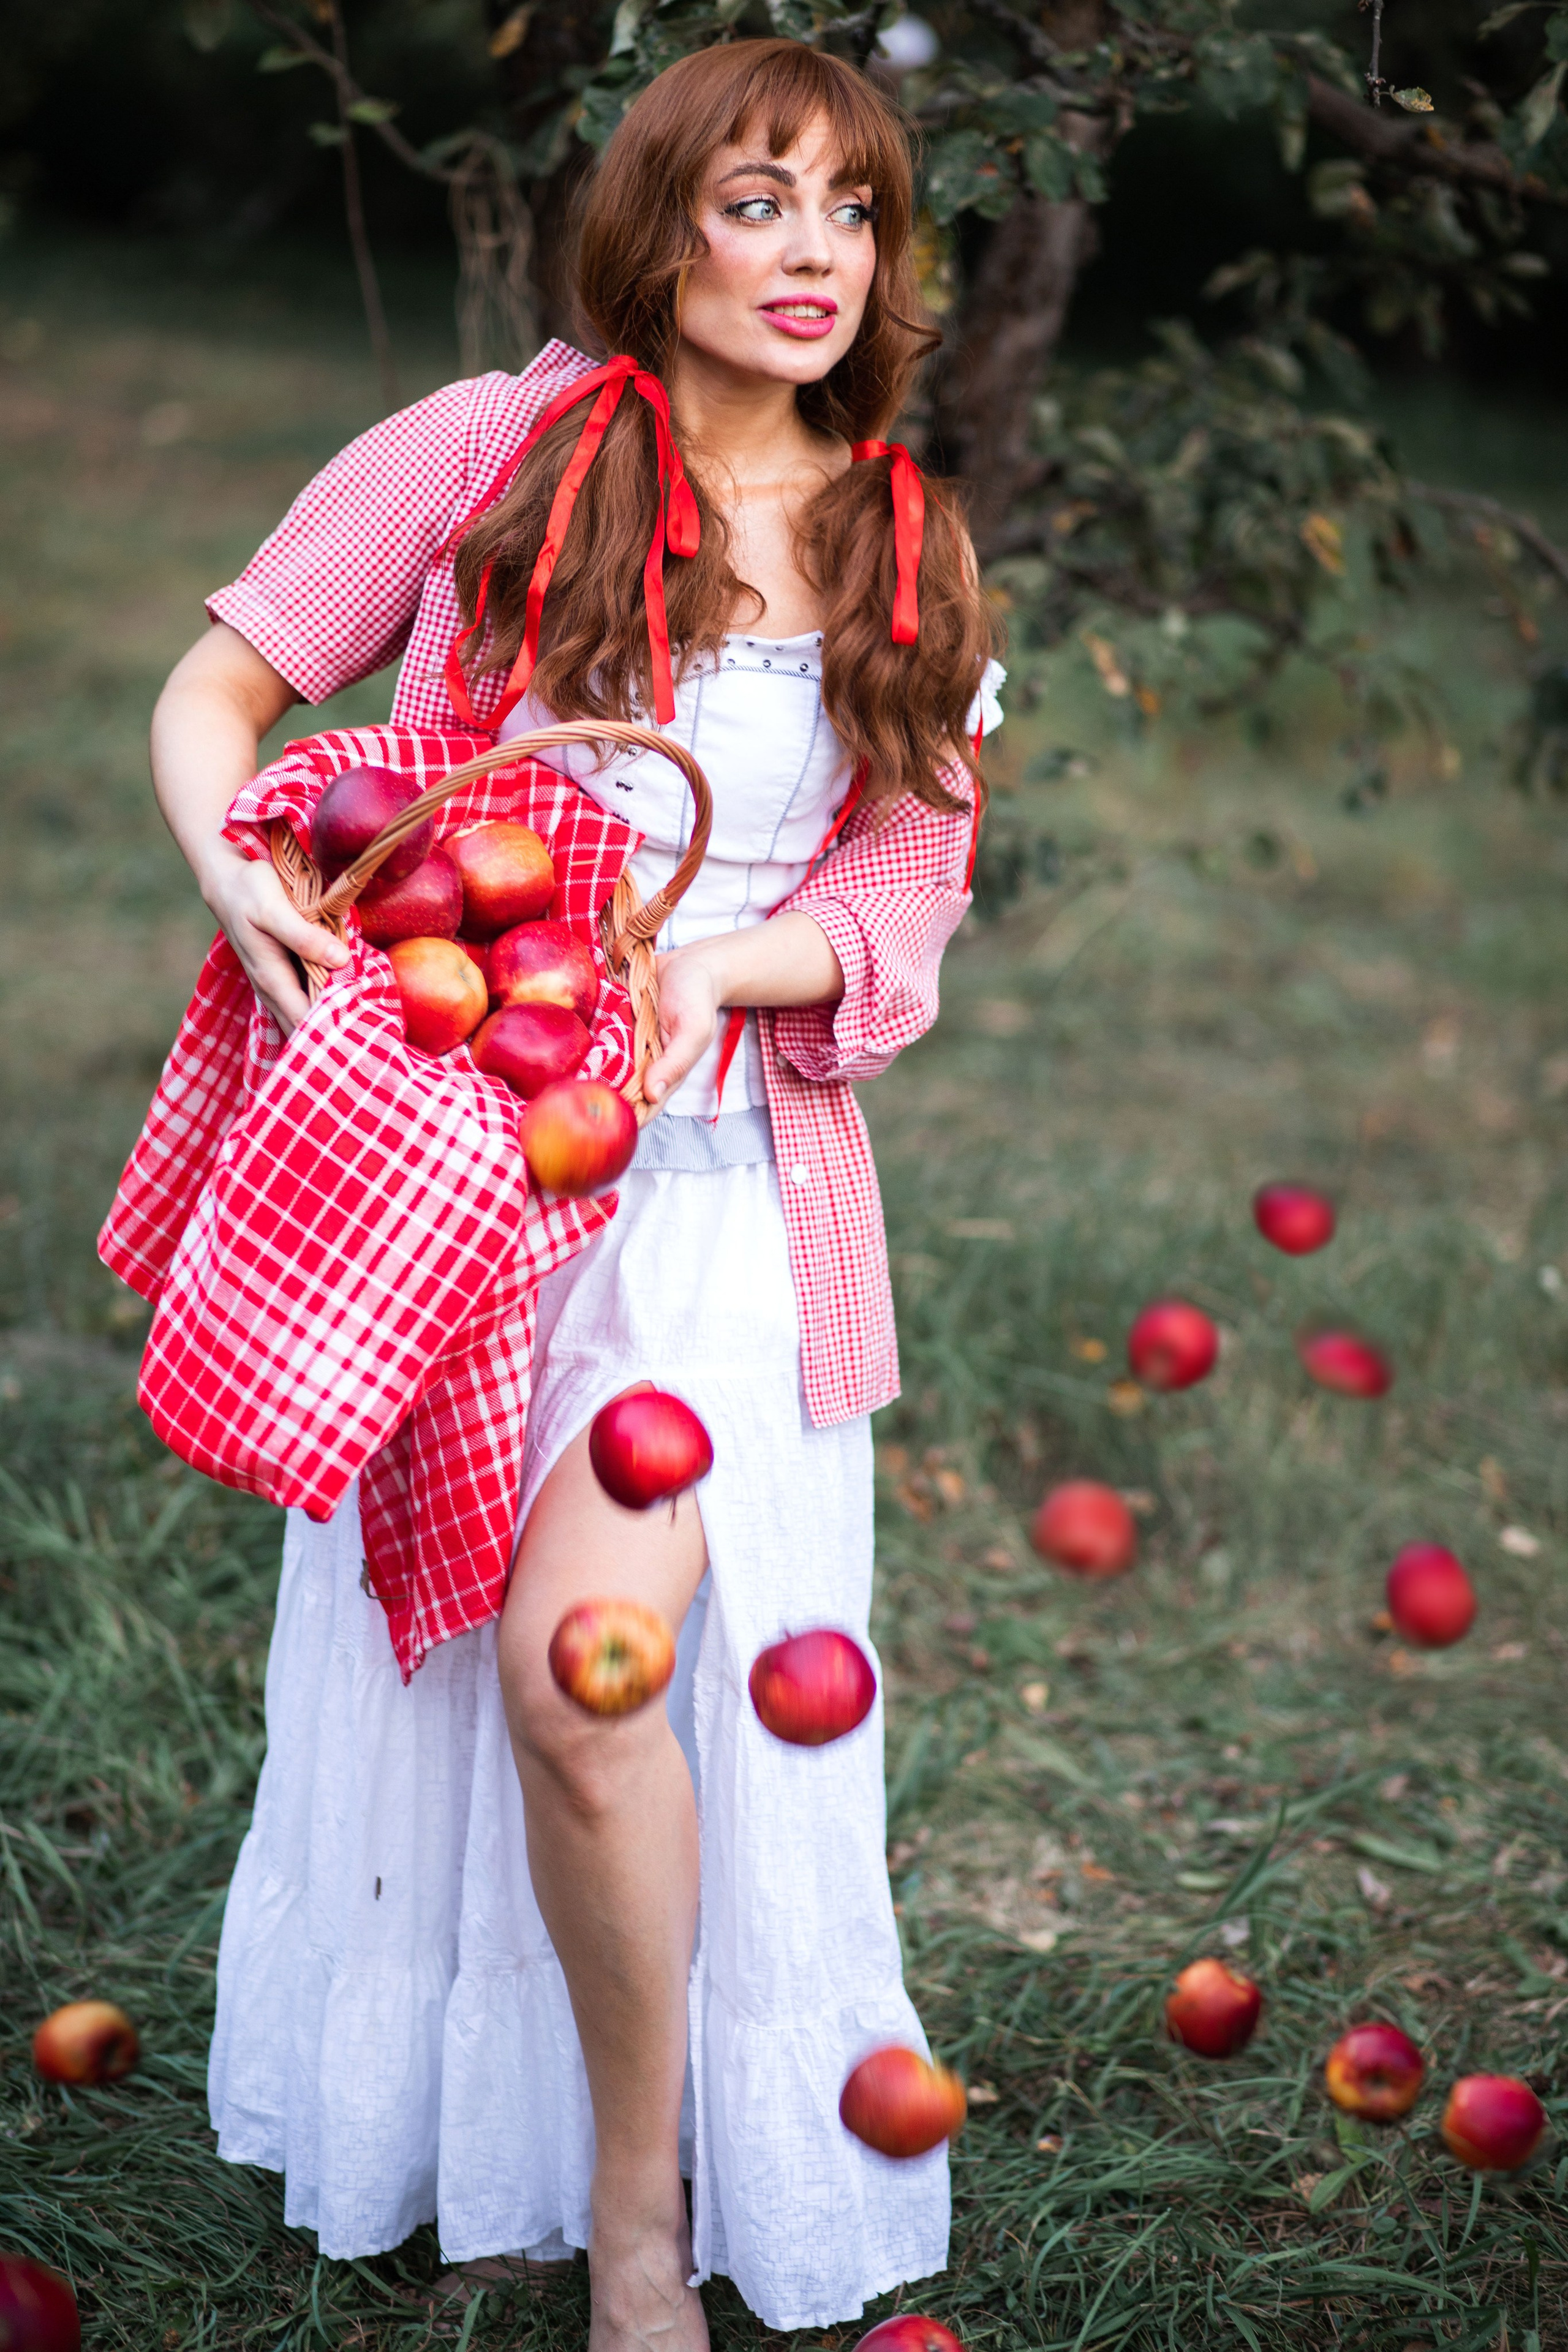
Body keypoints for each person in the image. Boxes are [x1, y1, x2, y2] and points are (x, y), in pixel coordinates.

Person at [148, 36, 1002, 2350]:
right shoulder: (498, 451)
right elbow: (223, 689)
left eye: (850, 209)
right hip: (450, 1168)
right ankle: (487, 2153)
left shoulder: (898, 544)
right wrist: (243, 879)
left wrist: (713, 954)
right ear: (660, 227)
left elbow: (905, 908)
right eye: (758, 199)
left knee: (572, 1681)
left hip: (710, 1209)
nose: (814, 251)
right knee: (452, 1691)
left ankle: (639, 2224)